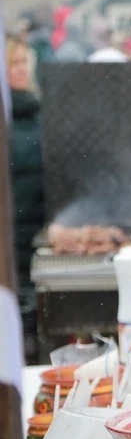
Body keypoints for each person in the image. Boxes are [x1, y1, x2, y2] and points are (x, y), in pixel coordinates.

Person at [6, 35, 44, 361]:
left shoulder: (36, 110)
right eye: (12, 64)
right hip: (13, 240)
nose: (20, 70)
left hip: (37, 235)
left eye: (22, 62)